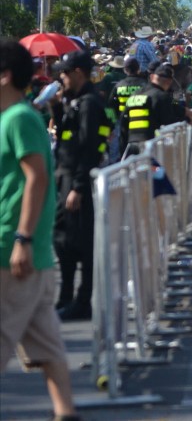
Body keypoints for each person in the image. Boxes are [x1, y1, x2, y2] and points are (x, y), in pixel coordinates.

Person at [0, 39, 81, 421]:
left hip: (12, 250)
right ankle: (66, 413)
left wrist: (22, 239)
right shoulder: (15, 117)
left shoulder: (18, 119)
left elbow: (36, 180)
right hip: (28, 252)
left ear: (5, 77)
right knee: (46, 343)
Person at [49, 51, 110, 322]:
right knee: (62, 240)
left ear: (77, 73)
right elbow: (65, 138)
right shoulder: (74, 102)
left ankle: (83, 301)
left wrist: (78, 186)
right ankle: (65, 297)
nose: (61, 78)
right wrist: (56, 108)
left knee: (83, 244)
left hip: (78, 181)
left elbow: (88, 149)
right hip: (64, 178)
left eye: (64, 73)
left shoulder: (89, 104)